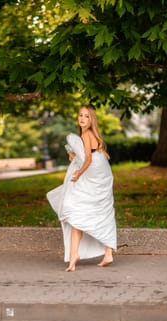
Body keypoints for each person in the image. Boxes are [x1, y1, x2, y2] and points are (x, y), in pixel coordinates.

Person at [47, 105, 117, 272]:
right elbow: (87, 155)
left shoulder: (86, 134)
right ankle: (105, 253)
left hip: (95, 174)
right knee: (100, 211)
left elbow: (88, 160)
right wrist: (73, 156)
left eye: (86, 116)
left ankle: (75, 256)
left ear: (91, 120)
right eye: (80, 115)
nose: (82, 119)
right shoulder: (88, 135)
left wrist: (78, 173)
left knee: (78, 210)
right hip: (101, 173)